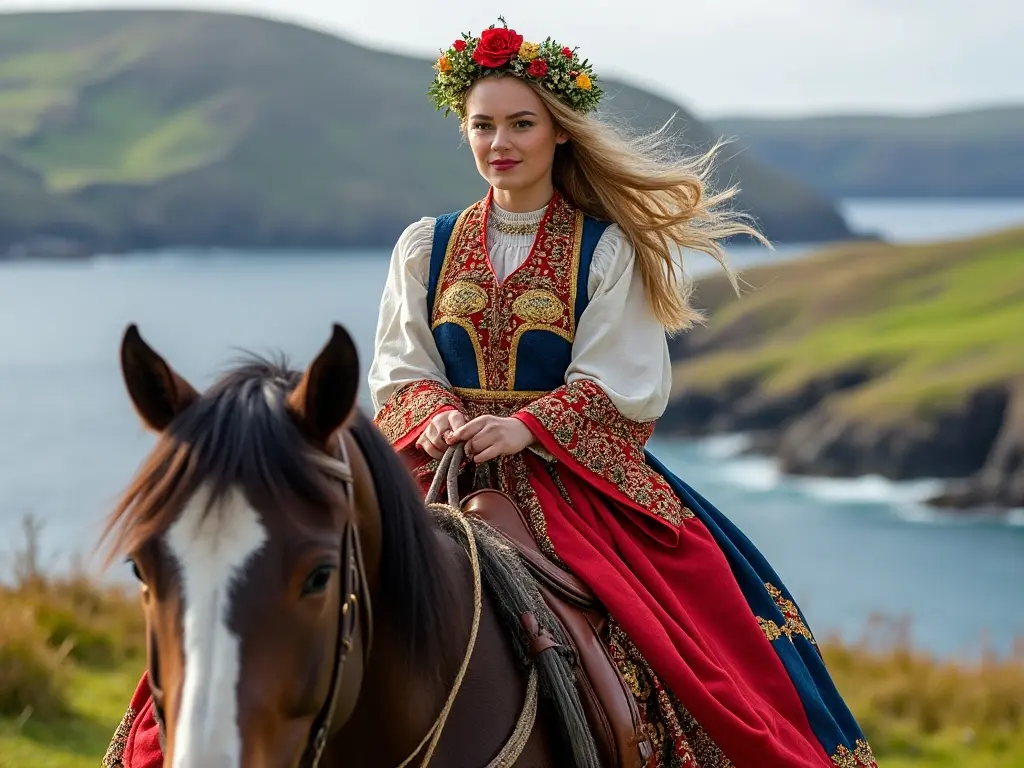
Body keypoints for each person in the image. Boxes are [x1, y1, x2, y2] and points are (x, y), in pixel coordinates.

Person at [368, 18, 877, 768]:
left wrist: (527, 429)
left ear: (559, 133)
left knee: (674, 646)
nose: (499, 142)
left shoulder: (606, 248)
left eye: (521, 123)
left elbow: (622, 382)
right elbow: (399, 366)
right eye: (483, 125)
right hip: (438, 461)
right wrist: (439, 414)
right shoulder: (424, 245)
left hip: (569, 481)